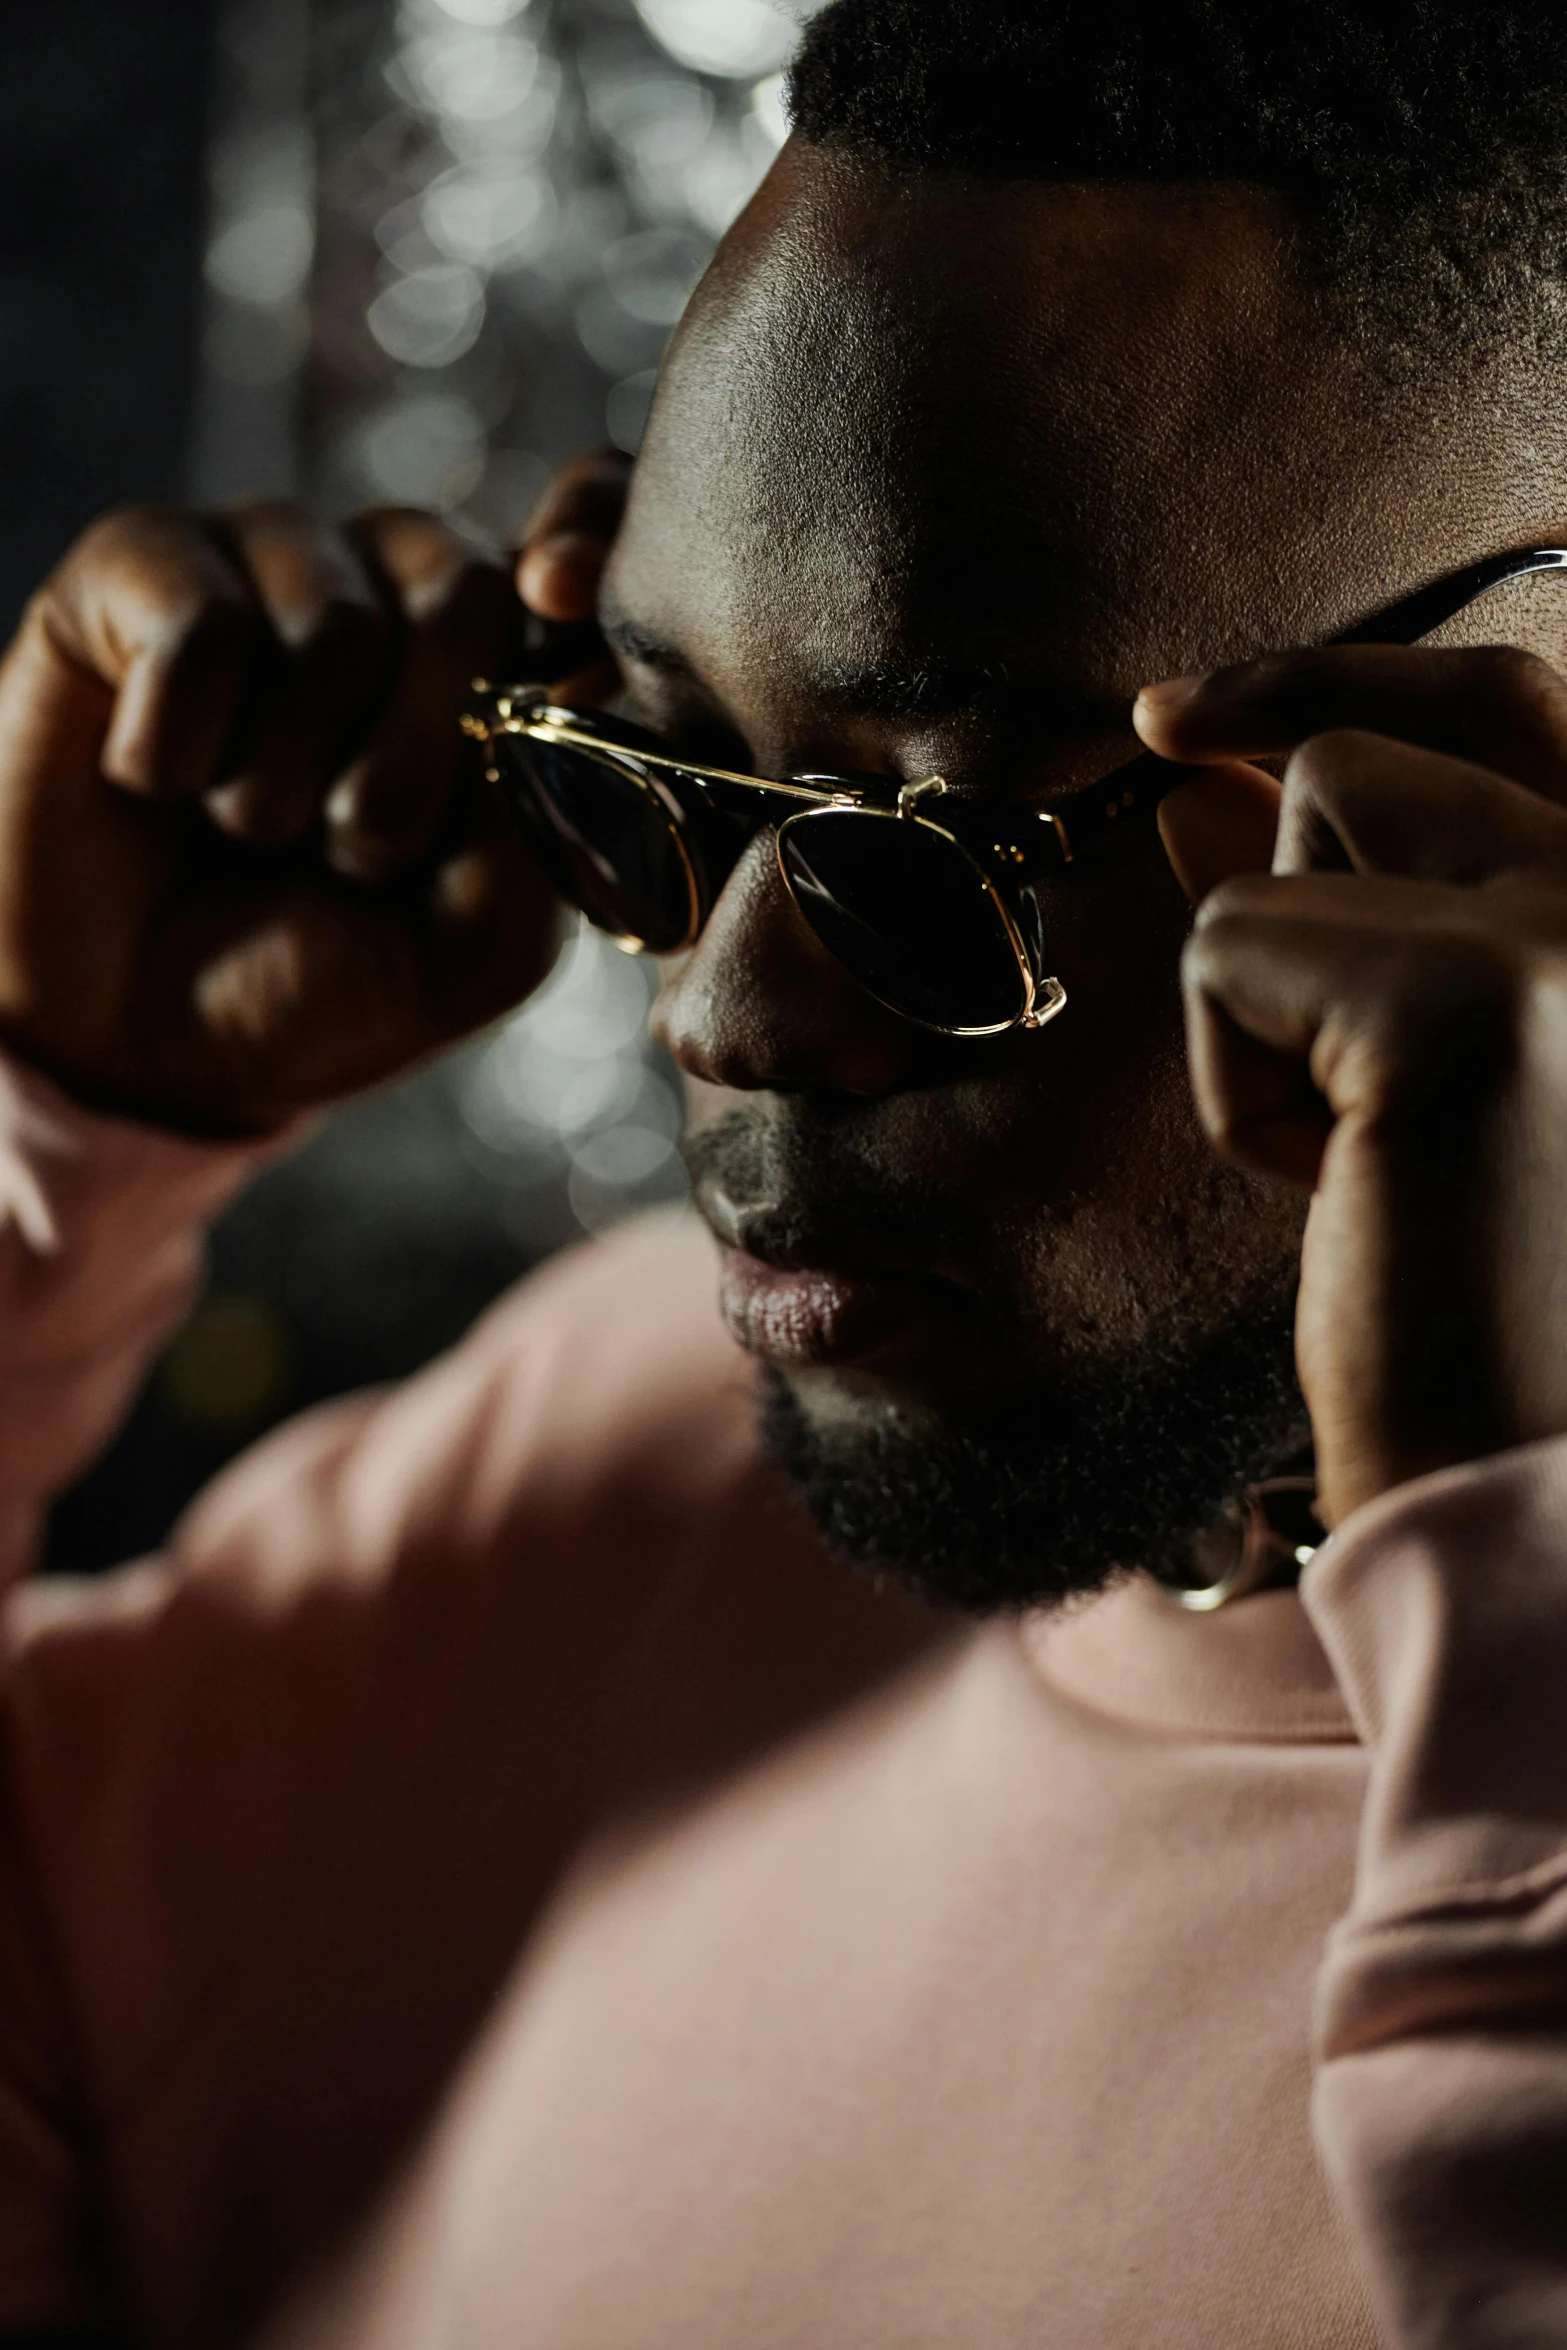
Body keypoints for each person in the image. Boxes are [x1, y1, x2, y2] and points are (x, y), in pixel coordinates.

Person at [5, 0, 1567, 2340]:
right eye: (661, 773)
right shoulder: (605, 1451)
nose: (711, 1015)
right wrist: (59, 1151)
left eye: (941, 856)